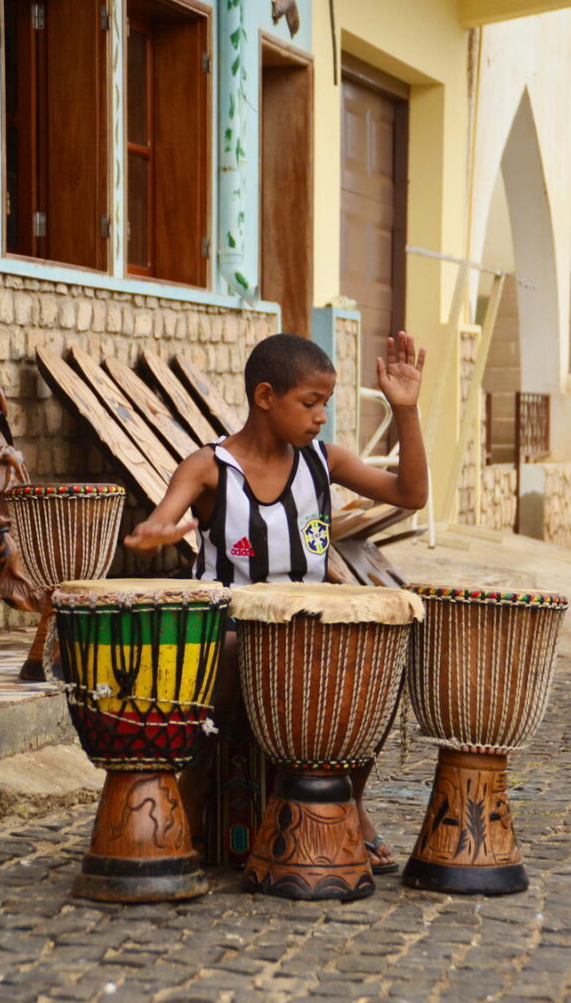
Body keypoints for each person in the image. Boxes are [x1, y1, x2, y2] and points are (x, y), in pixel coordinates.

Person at [124, 329, 428, 873]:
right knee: (241, 650)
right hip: (229, 627)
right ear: (266, 397)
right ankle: (191, 794)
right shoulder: (210, 466)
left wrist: (405, 410)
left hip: (305, 623)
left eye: (326, 405)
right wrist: (158, 533)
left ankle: (351, 800)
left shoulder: (323, 460)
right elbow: (164, 516)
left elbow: (410, 495)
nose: (320, 417)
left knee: (385, 654)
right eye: (310, 403)